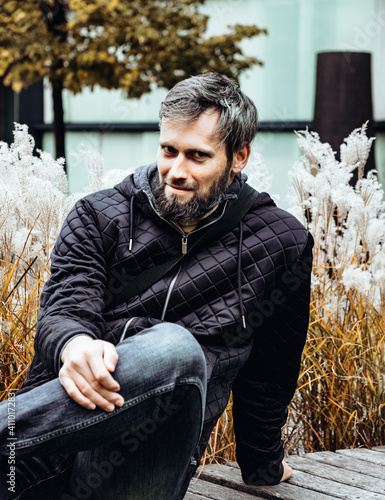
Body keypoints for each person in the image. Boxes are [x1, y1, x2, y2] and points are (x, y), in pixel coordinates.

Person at [0, 72, 313, 499]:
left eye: (197, 156)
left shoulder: (281, 241)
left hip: (141, 468)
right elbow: (66, 305)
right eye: (169, 150)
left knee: (175, 348)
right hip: (36, 459)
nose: (176, 171)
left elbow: (271, 372)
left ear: (239, 156)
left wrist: (263, 465)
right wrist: (74, 344)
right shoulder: (98, 214)